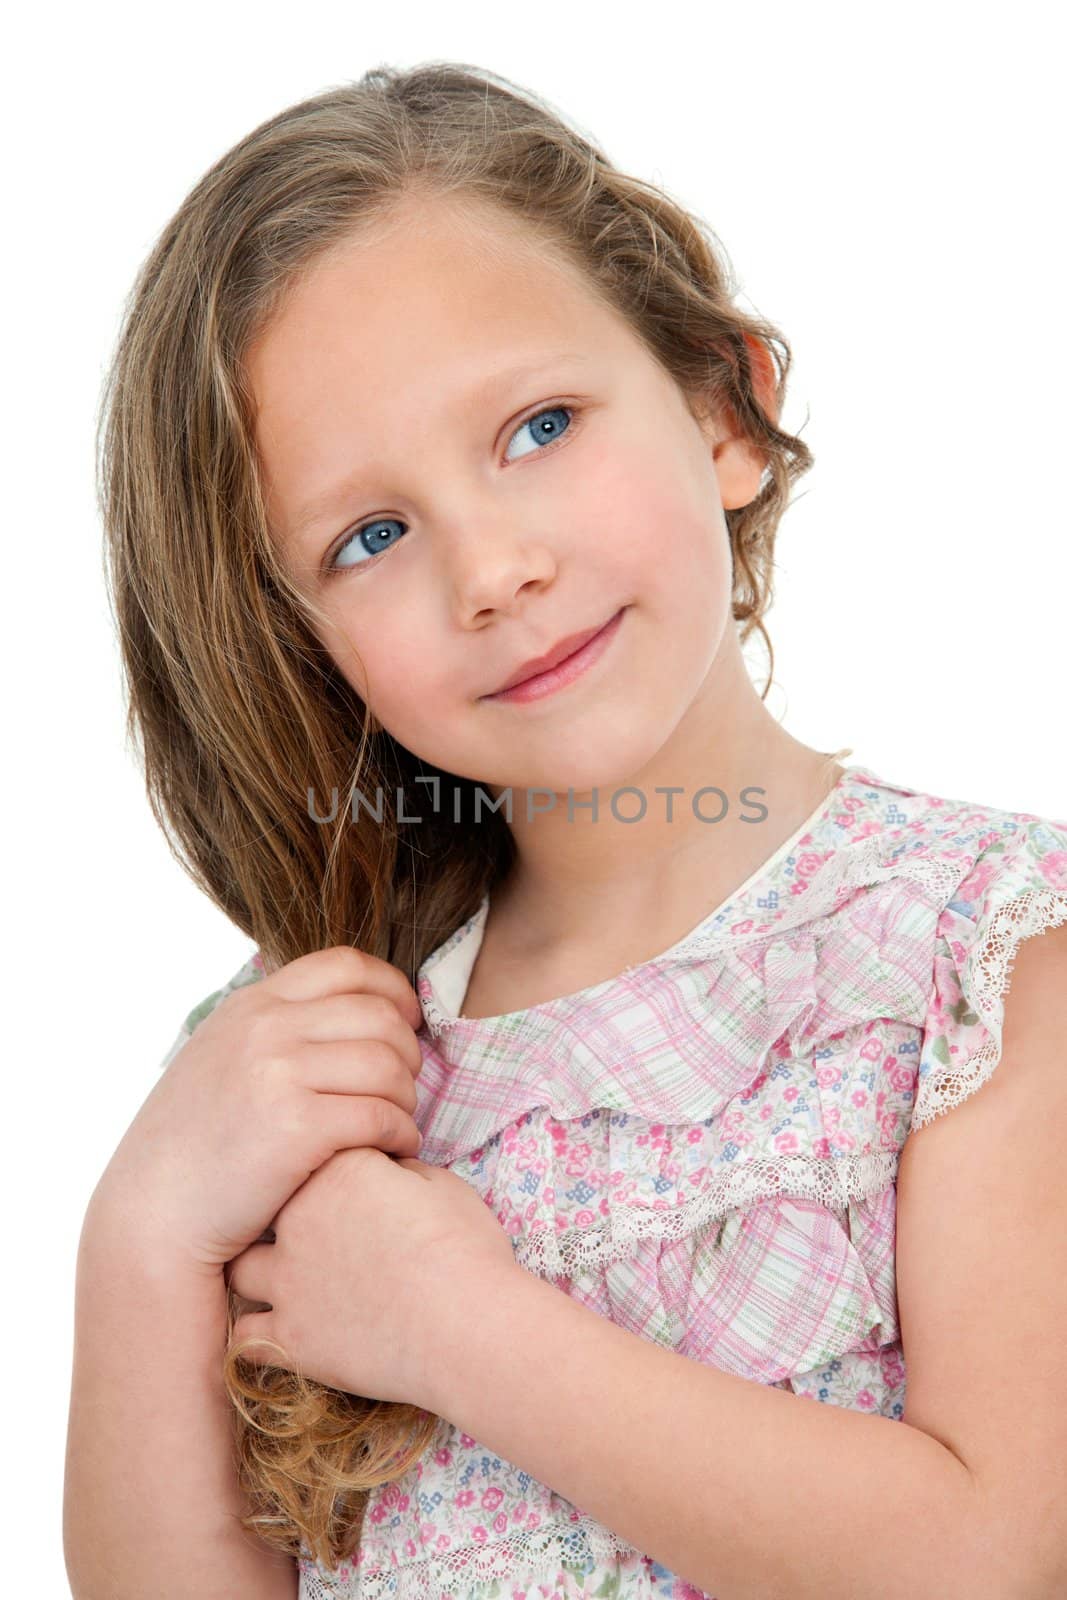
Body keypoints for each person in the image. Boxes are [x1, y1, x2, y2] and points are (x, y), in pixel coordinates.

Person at [64, 60, 1067, 1600]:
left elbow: (991, 1559)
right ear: (297, 638)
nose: (492, 568)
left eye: (538, 426)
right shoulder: (303, 1062)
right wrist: (141, 1241)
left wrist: (459, 1331)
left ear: (725, 409)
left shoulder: (980, 959)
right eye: (371, 536)